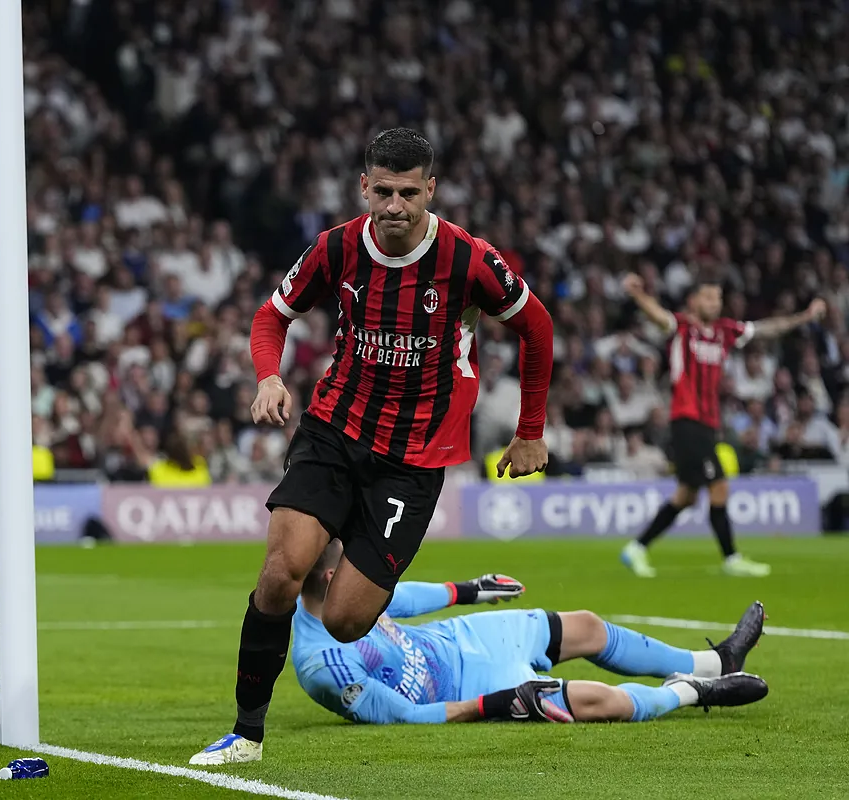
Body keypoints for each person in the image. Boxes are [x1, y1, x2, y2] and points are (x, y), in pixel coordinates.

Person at [191, 128, 555, 765]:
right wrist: (269, 376)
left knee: (345, 620)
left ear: (430, 190)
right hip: (335, 429)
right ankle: (246, 734)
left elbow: (537, 327)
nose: (394, 206)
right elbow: (272, 315)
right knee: (280, 574)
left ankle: (406, 604)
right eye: (382, 191)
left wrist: (530, 430)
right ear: (364, 186)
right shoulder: (335, 248)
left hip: (414, 458)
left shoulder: (468, 259)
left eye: (408, 193)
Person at [290, 541, 767, 726]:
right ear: (333, 580)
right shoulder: (325, 665)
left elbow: (399, 597)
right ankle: (692, 691)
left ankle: (715, 662)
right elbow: (404, 716)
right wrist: (496, 705)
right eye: (352, 563)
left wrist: (466, 590)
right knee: (599, 700)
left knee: (586, 625)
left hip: (459, 638)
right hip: (471, 688)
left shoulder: (345, 595)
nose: (365, 569)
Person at [620, 274, 826, 577]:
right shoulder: (682, 327)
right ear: (693, 301)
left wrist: (804, 317)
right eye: (708, 297)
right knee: (719, 485)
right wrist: (638, 295)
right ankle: (731, 558)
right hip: (687, 420)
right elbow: (658, 316)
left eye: (717, 298)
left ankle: (636, 549)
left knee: (686, 495)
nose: (714, 303)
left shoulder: (725, 331)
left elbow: (768, 328)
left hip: (708, 423)